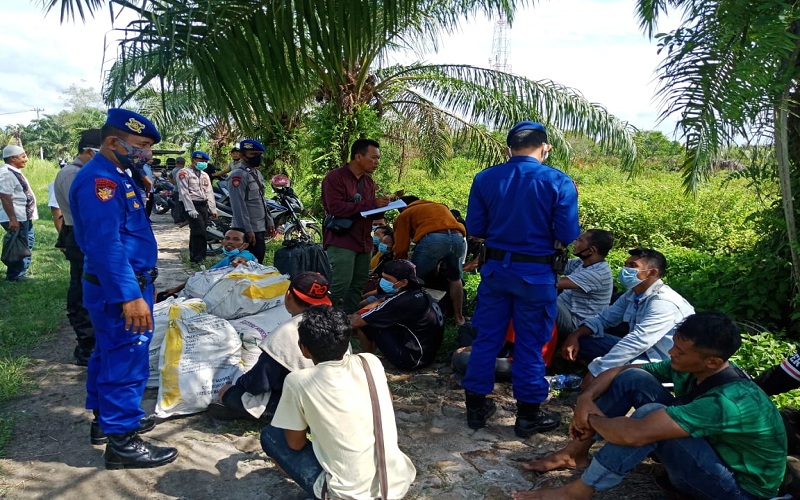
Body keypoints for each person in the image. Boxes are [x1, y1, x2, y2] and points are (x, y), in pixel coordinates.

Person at [515, 312, 787, 500]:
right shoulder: (695, 368)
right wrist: (585, 400)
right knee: (635, 378)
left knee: (648, 418)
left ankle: (579, 491)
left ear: (713, 362)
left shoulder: (728, 401)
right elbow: (623, 370)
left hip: (736, 491)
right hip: (712, 454)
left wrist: (591, 418)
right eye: (675, 346)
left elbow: (634, 434)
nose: (671, 354)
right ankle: (574, 453)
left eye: (680, 351)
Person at [69, 108, 178, 469]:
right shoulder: (102, 182)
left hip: (121, 285)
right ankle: (123, 442)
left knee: (108, 354)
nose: (146, 154)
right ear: (113, 142)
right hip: (120, 289)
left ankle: (106, 421)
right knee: (127, 358)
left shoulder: (118, 173)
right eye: (141, 146)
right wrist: (130, 296)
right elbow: (106, 245)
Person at [461, 121, 580, 437]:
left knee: (486, 339)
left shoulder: (485, 178)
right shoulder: (559, 181)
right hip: (537, 277)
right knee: (531, 344)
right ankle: (527, 416)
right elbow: (568, 233)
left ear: (507, 148)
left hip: (496, 273)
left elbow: (476, 228)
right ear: (545, 148)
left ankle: (475, 409)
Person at [261, 305, 416, 499]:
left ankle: (321, 491)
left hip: (346, 495)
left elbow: (295, 444)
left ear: (304, 349)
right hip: (394, 484)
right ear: (347, 339)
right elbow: (388, 401)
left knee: (271, 435)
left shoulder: (298, 381)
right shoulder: (369, 362)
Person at [561, 248, 694, 390]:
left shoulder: (664, 302)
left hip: (659, 361)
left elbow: (636, 342)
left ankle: (605, 381)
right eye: (626, 265)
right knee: (583, 340)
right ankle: (604, 375)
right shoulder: (632, 294)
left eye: (633, 266)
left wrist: (597, 370)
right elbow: (604, 318)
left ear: (652, 272)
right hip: (638, 353)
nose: (625, 270)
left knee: (625, 375)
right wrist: (575, 335)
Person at [208, 272, 333, 420]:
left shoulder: (286, 332)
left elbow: (258, 384)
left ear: (288, 295)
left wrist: (239, 384)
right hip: (331, 397)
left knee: (228, 393)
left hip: (307, 404)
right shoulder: (335, 323)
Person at [321, 139, 391, 313]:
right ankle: (316, 318)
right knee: (340, 284)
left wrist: (383, 208)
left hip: (364, 240)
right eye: (373, 158)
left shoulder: (368, 182)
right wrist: (373, 204)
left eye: (378, 158)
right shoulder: (335, 178)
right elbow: (335, 208)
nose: (377, 162)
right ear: (358, 156)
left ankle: (349, 319)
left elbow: (369, 213)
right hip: (341, 239)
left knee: (358, 284)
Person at [54, 128, 103, 365]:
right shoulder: (74, 174)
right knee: (82, 292)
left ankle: (90, 343)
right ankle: (86, 346)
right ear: (88, 151)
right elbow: (88, 212)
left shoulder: (80, 172)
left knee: (88, 288)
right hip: (80, 235)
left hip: (82, 235)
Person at [350, 259, 445, 371]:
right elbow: (381, 300)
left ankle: (367, 362)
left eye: (387, 279)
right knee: (372, 318)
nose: (382, 281)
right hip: (426, 353)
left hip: (412, 360)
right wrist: (360, 311)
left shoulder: (401, 302)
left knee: (367, 324)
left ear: (403, 282)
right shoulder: (417, 293)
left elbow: (356, 322)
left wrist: (347, 317)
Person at [392, 196, 468, 325]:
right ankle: (459, 318)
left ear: (402, 207)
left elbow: (400, 247)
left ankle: (405, 318)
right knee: (456, 279)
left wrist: (399, 268)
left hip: (433, 240)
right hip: (458, 238)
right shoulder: (440, 206)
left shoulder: (405, 213)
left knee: (412, 279)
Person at [156, 228, 257, 301]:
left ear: (245, 245)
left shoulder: (246, 255)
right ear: (222, 242)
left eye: (236, 239)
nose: (230, 242)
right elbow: (202, 275)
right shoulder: (226, 259)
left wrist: (239, 261)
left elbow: (242, 259)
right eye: (227, 238)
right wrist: (177, 288)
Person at [555, 229, 614, 337]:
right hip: (563, 308)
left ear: (590, 250)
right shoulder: (582, 263)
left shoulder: (597, 273)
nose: (575, 243)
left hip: (574, 323)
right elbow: (556, 267)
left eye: (579, 241)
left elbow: (554, 282)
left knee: (543, 297)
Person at [229, 139, 276, 263]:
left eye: (259, 154)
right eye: (253, 154)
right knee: (246, 266)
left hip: (259, 227)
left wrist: (269, 221)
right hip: (249, 230)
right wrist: (246, 230)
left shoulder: (256, 173)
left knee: (257, 262)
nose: (257, 157)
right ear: (242, 155)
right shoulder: (238, 176)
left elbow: (261, 200)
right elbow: (238, 206)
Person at [0, 144, 37, 282]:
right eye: (23, 156)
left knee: (26, 242)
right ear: (12, 158)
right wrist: (12, 219)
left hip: (23, 216)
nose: (26, 159)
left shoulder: (13, 171)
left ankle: (20, 272)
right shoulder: (5, 173)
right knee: (19, 246)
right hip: (16, 217)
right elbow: (5, 196)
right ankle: (15, 275)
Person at [177, 150, 217, 263]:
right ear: (194, 160)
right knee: (199, 231)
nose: (203, 163)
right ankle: (198, 259)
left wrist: (212, 209)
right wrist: (190, 209)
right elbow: (184, 192)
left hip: (203, 205)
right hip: (190, 204)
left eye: (205, 161)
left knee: (198, 231)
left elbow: (209, 192)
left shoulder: (204, 175)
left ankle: (196, 256)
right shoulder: (184, 173)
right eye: (201, 161)